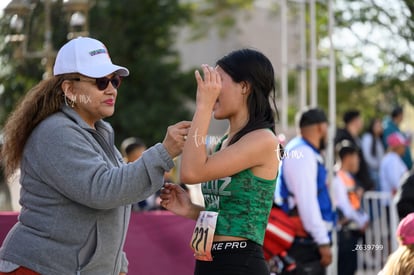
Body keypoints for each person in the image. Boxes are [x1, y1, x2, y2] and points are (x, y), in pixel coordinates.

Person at [0, 37, 190, 275]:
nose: (111, 89)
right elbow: (103, 190)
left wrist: (116, 265)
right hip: (39, 268)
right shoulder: (55, 131)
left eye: (115, 80)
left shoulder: (98, 130)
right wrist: (165, 152)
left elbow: (116, 197)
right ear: (69, 89)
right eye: (100, 82)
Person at [160, 49, 279, 275]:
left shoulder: (263, 139)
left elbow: (191, 173)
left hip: (239, 260)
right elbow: (230, 213)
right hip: (209, 259)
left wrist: (203, 107)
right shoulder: (223, 141)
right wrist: (192, 210)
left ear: (245, 87)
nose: (210, 90)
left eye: (217, 82)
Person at [274, 107, 335, 275]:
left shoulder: (301, 150)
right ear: (321, 127)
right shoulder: (303, 152)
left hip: (304, 239)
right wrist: (322, 242)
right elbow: (307, 202)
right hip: (303, 242)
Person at [333, 140, 369, 275]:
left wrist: (364, 218)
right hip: (343, 234)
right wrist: (362, 221)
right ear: (347, 157)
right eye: (356, 156)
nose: (358, 160)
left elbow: (353, 204)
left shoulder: (347, 177)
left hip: (351, 233)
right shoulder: (336, 177)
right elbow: (345, 208)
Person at [335, 110, 374, 191]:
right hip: (352, 185)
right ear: (354, 121)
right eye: (360, 119)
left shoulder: (356, 138)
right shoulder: (343, 138)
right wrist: (357, 185)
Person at [379, 132, 409, 200]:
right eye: (403, 146)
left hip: (394, 201)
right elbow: (395, 181)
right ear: (397, 147)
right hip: (393, 202)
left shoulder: (393, 158)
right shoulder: (392, 159)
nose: (404, 148)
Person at [382, 106, 413, 170]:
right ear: (399, 115)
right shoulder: (389, 129)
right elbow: (391, 148)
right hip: (398, 166)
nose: (403, 118)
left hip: (402, 166)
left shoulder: (395, 128)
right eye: (402, 115)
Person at [361, 118, 385, 190]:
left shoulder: (379, 140)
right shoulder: (368, 138)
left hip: (378, 171)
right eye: (377, 125)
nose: (379, 127)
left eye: (380, 125)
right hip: (370, 171)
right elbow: (367, 157)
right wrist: (378, 165)